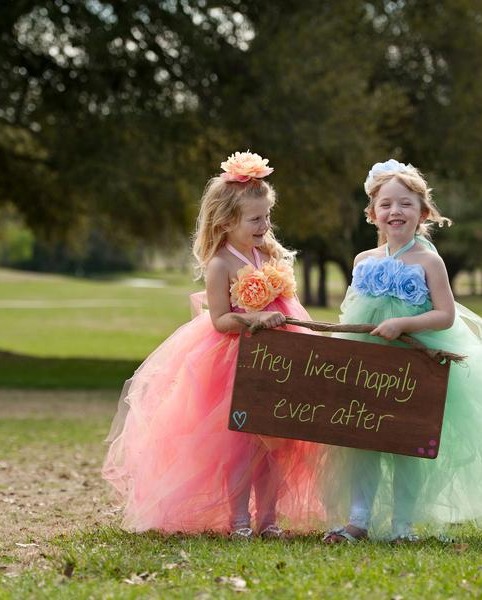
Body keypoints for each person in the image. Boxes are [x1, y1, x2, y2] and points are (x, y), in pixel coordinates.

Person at [322, 159, 482, 543]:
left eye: (405, 203)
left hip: (415, 360)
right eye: (386, 204)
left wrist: (404, 324)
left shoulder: (428, 260)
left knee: (406, 440)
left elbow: (445, 315)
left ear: (423, 211)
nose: (395, 212)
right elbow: (351, 311)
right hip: (368, 359)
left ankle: (402, 526)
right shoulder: (362, 262)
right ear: (372, 214)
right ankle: (359, 519)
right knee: (363, 437)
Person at [102, 151, 321, 539]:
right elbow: (220, 321)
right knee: (239, 445)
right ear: (226, 221)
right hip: (234, 362)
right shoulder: (221, 264)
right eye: (255, 219)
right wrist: (253, 319)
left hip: (276, 357)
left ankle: (268, 519)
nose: (265, 225)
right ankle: (240, 519)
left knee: (274, 444)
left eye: (267, 216)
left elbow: (286, 302)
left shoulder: (267, 253)